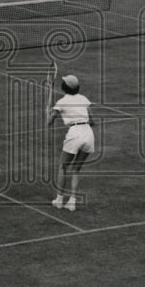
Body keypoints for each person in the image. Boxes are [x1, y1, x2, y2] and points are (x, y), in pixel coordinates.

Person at [47, 73, 95, 212]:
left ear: (64, 87)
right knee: (76, 169)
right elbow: (92, 120)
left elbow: (49, 122)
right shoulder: (84, 99)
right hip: (88, 135)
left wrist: (49, 113)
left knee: (63, 167)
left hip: (74, 134)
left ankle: (59, 200)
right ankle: (72, 202)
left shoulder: (61, 102)